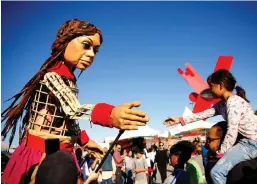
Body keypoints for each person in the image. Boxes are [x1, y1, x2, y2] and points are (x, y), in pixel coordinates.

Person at [1, 19, 149, 184]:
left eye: (95, 50)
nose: (92, 54)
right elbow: (72, 109)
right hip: (44, 155)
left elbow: (67, 119)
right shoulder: (52, 76)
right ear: (65, 42)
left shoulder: (69, 82)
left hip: (58, 154)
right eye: (86, 45)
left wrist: (84, 141)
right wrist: (109, 114)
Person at [164, 69, 257, 184]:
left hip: (251, 144)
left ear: (220, 86)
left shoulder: (233, 102)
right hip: (243, 142)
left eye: (211, 86)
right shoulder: (221, 104)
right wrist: (180, 119)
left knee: (216, 172)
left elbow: (232, 130)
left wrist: (221, 153)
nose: (210, 90)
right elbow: (204, 114)